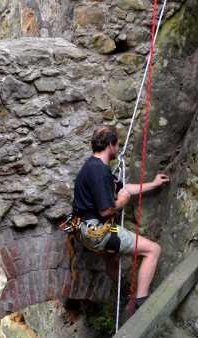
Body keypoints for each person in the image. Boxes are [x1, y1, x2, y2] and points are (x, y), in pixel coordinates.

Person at [72, 126, 170, 309]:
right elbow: (106, 211)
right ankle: (141, 300)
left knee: (112, 258)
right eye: (117, 145)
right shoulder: (99, 172)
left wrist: (154, 184)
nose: (118, 149)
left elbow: (125, 190)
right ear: (110, 145)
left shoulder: (93, 166)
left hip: (81, 229)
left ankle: (123, 293)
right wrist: (122, 202)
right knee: (153, 250)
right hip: (96, 231)